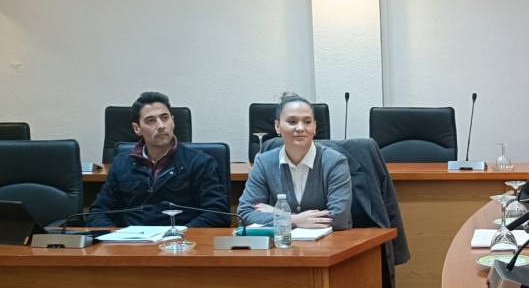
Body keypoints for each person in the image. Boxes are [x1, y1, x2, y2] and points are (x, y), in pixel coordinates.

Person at [88, 91, 229, 227]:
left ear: (173, 121)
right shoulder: (121, 164)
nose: (161, 126)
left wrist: (180, 234)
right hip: (132, 240)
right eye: (151, 120)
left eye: (165, 118)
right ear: (137, 128)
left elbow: (217, 213)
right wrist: (115, 237)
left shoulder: (199, 162)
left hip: (183, 239)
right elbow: (99, 213)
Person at [237, 94, 353, 230]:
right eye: (292, 122)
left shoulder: (335, 162)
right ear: (277, 126)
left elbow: (339, 218)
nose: (300, 128)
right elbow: (244, 214)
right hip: (281, 241)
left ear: (315, 127)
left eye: (307, 122)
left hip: (329, 241)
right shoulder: (264, 163)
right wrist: (294, 220)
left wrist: (278, 214)